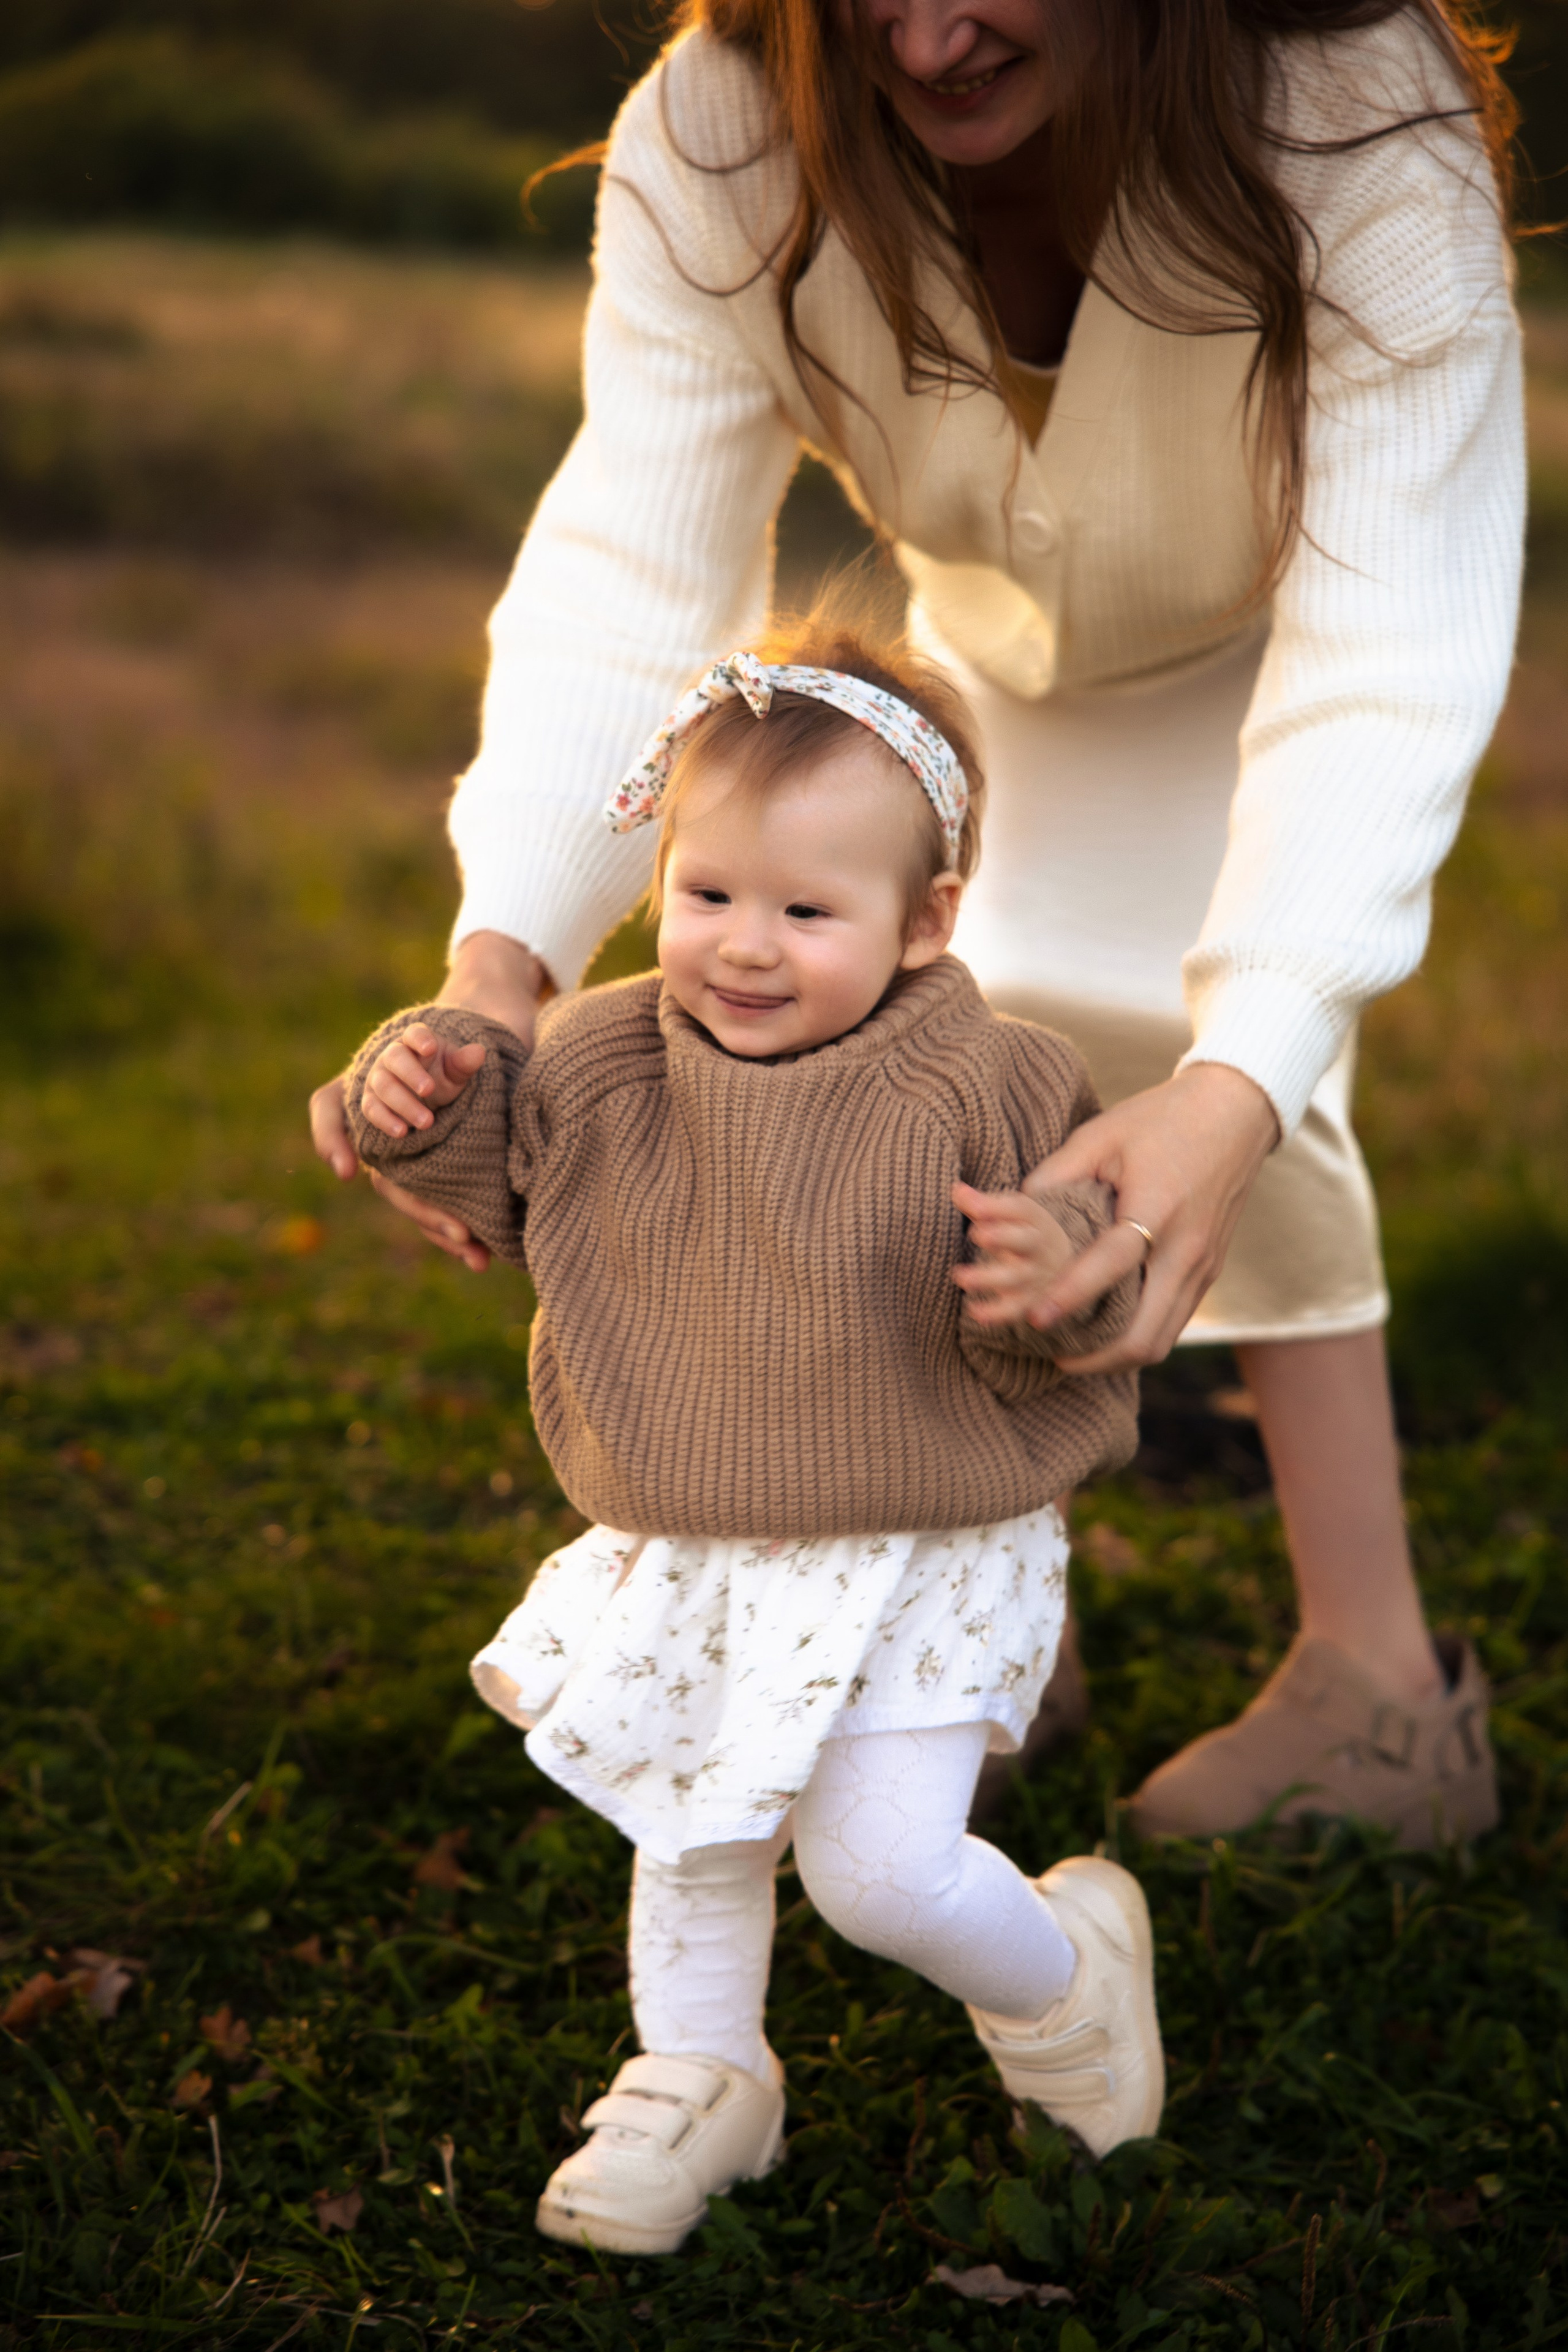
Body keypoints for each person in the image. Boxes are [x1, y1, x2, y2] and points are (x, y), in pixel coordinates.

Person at [311, 0, 1523, 1844]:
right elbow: (639, 562)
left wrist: (1248, 1062)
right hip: (980, 675)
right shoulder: (725, 129)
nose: (931, 35)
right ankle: (984, 1633)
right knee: (946, 1042)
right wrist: (504, 966)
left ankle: (1382, 1685)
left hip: (1277, 647)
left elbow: (1392, 640)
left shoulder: (1357, 114)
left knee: (1201, 1042)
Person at [345, 617, 1164, 2255]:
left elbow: (1099, 1281)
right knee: (690, 1824)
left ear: (927, 920)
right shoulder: (601, 1057)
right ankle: (704, 2072)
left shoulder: (992, 1080)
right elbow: (484, 1174)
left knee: (880, 1876)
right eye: (711, 893)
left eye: (809, 910)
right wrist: (409, 1098)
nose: (745, 947)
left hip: (921, 1540)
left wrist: (1060, 1277)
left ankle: (1073, 1980)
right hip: (694, 1534)